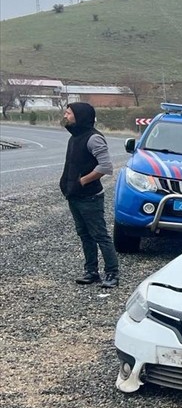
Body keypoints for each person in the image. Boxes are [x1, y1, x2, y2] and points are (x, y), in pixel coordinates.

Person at [60, 102, 119, 288]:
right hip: (74, 196)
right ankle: (91, 272)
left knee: (100, 235)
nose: (65, 115)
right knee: (84, 234)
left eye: (68, 113)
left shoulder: (94, 138)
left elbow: (106, 166)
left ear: (80, 116)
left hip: (90, 197)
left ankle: (112, 273)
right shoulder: (74, 137)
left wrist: (82, 181)